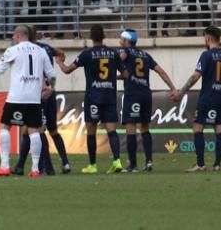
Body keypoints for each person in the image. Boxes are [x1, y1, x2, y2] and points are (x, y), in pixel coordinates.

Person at [0, 25, 54, 177]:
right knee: (34, 131)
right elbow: (51, 74)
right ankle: (35, 169)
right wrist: (50, 88)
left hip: (17, 97)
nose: (12, 38)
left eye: (13, 36)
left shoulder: (13, 50)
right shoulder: (41, 51)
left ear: (18, 36)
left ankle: (4, 166)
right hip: (34, 98)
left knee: (5, 126)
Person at [58, 24, 123, 174]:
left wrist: (60, 63)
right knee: (111, 130)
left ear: (91, 37)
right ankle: (117, 161)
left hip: (93, 97)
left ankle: (92, 166)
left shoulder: (86, 54)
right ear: (103, 36)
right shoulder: (113, 53)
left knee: (91, 131)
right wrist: (112, 77)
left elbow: (68, 70)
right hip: (109, 96)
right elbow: (125, 74)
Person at [174, 26, 221, 172]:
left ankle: (200, 164)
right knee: (219, 129)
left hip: (208, 97)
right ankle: (217, 164)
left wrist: (181, 92)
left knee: (197, 128)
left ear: (208, 38)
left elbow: (195, 76)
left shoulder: (206, 55)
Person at [11, 29, 69, 175]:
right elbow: (60, 52)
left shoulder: (29, 51)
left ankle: (46, 167)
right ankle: (65, 163)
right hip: (50, 92)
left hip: (37, 93)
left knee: (36, 130)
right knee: (49, 130)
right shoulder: (47, 48)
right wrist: (60, 61)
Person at [118, 30, 176, 172]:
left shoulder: (125, 50)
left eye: (121, 38)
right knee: (144, 127)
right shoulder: (145, 55)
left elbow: (120, 59)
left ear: (126, 40)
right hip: (146, 94)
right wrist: (173, 88)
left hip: (133, 94)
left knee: (130, 128)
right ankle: (149, 161)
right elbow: (160, 71)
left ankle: (132, 165)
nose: (119, 40)